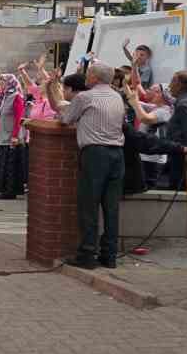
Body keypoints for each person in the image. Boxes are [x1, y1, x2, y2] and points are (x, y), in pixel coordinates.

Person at [48, 62, 128, 269]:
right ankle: (109, 255)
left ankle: (87, 255)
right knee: (111, 207)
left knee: (88, 206)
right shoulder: (117, 97)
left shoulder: (85, 97)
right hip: (117, 154)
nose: (86, 77)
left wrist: (52, 89)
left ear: (94, 77)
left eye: (89, 73)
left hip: (95, 154)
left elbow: (65, 118)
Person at [0, 74, 26, 199]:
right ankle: (4, 189)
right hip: (2, 135)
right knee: (4, 164)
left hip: (11, 136)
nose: (1, 83)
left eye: (4, 81)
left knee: (10, 165)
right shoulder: (3, 96)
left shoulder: (16, 96)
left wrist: (15, 135)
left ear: (10, 82)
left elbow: (19, 118)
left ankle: (10, 191)